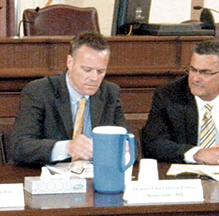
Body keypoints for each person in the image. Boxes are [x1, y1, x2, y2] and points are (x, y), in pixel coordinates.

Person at [11, 32, 130, 165]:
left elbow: (133, 146)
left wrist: (125, 148)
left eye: (100, 71)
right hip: (46, 178)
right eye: (87, 70)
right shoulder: (40, 91)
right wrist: (67, 148)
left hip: (93, 176)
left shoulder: (109, 93)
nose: (94, 78)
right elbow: (20, 146)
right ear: (70, 62)